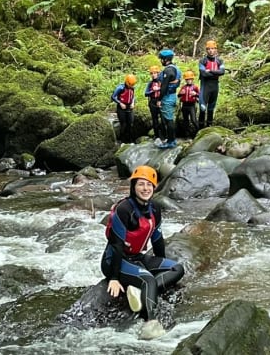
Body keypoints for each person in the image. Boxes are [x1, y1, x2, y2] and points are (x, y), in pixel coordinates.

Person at [101, 165, 184, 340]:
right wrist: (114, 278)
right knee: (148, 280)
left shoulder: (154, 209)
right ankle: (150, 324)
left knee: (177, 269)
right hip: (115, 260)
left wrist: (160, 263)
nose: (145, 189)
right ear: (134, 186)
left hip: (137, 257)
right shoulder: (123, 210)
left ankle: (144, 291)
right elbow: (116, 245)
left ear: (154, 187)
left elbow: (157, 239)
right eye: (141, 184)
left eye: (149, 185)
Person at [197, 40, 225, 128]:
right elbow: (204, 74)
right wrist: (215, 73)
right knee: (202, 108)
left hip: (215, 86)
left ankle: (209, 126)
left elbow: (222, 72)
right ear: (206, 50)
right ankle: (200, 129)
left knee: (211, 108)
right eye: (209, 49)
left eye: (213, 49)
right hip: (205, 86)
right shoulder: (203, 61)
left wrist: (210, 71)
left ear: (216, 49)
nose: (211, 51)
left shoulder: (219, 61)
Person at [157, 49, 181, 149]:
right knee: (169, 118)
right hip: (173, 95)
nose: (161, 61)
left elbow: (164, 87)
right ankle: (172, 139)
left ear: (165, 59)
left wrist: (159, 99)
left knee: (168, 120)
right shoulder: (175, 68)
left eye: (161, 59)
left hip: (167, 97)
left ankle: (171, 141)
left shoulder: (168, 70)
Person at [111, 74, 137, 144]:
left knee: (130, 124)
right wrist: (120, 103)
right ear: (127, 82)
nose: (132, 86)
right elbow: (113, 97)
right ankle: (122, 141)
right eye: (131, 85)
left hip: (129, 107)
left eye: (133, 85)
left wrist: (133, 103)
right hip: (121, 108)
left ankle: (131, 140)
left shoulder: (132, 87)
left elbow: (133, 96)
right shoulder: (120, 88)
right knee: (124, 124)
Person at [144, 65, 164, 143]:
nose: (153, 75)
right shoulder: (150, 83)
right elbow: (146, 93)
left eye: (155, 73)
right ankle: (156, 136)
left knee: (163, 119)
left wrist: (159, 89)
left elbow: (166, 91)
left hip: (161, 101)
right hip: (152, 102)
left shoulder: (162, 82)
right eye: (152, 73)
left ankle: (164, 135)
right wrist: (152, 90)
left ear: (158, 73)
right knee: (155, 119)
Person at [177, 70, 200, 137]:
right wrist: (180, 93)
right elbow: (178, 96)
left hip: (192, 105)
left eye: (190, 79)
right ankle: (186, 135)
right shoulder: (183, 87)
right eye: (187, 79)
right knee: (185, 121)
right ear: (185, 80)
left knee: (193, 120)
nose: (188, 81)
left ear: (192, 79)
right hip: (184, 105)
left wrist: (195, 94)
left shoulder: (195, 87)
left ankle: (198, 132)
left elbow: (200, 95)